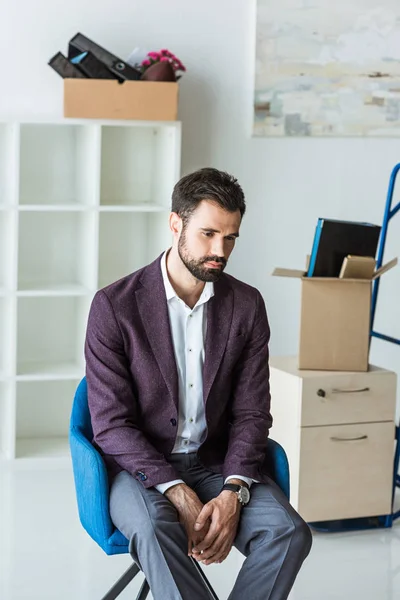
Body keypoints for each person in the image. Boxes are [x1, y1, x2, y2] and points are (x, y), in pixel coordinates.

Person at [85, 168, 312, 600]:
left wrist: (234, 490)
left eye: (230, 238)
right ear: (176, 224)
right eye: (208, 234)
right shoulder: (114, 307)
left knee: (289, 533)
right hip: (140, 469)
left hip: (215, 462)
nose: (219, 250)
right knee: (157, 527)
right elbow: (111, 425)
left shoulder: (246, 306)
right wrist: (176, 490)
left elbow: (251, 413)